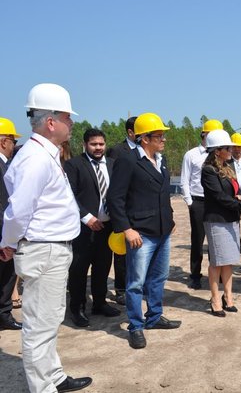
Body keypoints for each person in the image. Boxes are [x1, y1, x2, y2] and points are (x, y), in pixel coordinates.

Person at [0, 83, 92, 392]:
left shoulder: (44, 154)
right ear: (51, 122)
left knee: (49, 321)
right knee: (39, 327)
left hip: (52, 250)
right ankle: (43, 388)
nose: (72, 123)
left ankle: (53, 376)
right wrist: (8, 243)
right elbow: (17, 212)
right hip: (43, 250)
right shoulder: (35, 159)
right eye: (68, 117)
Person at [107, 112, 181, 350]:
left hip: (162, 230)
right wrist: (126, 229)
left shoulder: (162, 160)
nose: (164, 139)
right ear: (144, 138)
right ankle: (136, 326)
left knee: (158, 278)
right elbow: (115, 198)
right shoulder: (128, 160)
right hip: (140, 233)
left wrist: (169, 218)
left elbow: (162, 194)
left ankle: (155, 316)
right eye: (159, 135)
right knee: (136, 283)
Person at [201, 130, 241, 316]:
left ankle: (228, 297)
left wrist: (237, 196)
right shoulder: (208, 170)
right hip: (217, 221)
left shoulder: (226, 167)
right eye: (228, 147)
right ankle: (215, 300)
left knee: (228, 262)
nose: (231, 150)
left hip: (231, 219)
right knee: (217, 262)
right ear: (217, 150)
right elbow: (219, 197)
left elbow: (229, 191)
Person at [64, 128, 121, 328]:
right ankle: (77, 307)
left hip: (107, 227)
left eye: (101, 144)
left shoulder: (114, 165)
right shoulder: (74, 165)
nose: (98, 148)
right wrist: (86, 218)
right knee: (79, 269)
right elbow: (68, 195)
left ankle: (99, 303)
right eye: (93, 144)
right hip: (84, 228)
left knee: (103, 267)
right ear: (85, 145)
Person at [180, 119, 223, 290]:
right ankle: (195, 275)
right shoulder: (191, 155)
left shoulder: (221, 154)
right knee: (198, 240)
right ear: (203, 134)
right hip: (198, 201)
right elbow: (184, 180)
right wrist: (190, 203)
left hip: (217, 202)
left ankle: (216, 273)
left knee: (216, 240)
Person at [106, 116, 137, 305]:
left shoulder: (150, 153)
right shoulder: (117, 151)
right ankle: (120, 289)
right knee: (121, 251)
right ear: (130, 133)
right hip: (123, 209)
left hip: (141, 210)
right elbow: (114, 182)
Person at [0, 118, 22, 332]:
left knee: (8, 275)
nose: (13, 146)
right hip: (3, 231)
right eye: (12, 141)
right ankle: (3, 314)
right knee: (5, 275)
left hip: (5, 230)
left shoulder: (6, 164)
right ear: (3, 142)